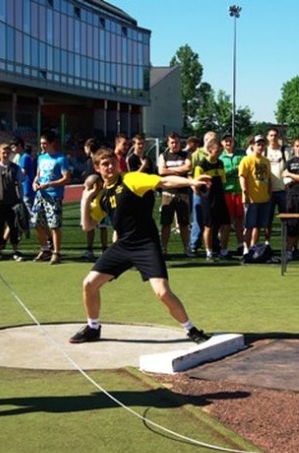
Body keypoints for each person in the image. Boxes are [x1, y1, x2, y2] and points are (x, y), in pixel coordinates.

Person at [71, 148, 211, 344]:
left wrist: (191, 182)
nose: (110, 166)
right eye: (104, 164)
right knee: (89, 284)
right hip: (122, 245)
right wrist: (86, 199)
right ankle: (93, 328)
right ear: (97, 168)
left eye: (112, 162)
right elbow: (87, 226)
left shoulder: (131, 179)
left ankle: (192, 330)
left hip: (146, 244)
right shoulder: (102, 194)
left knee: (162, 292)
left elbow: (163, 181)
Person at [31, 130, 71, 264]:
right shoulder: (41, 158)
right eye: (41, 143)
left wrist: (49, 184)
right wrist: (35, 182)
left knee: (54, 225)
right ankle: (45, 249)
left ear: (51, 143)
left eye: (45, 143)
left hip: (54, 196)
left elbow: (66, 178)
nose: (42, 146)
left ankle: (56, 252)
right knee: (36, 222)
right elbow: (38, 174)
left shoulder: (61, 159)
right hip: (40, 195)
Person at [192, 138, 229, 261]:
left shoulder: (220, 163)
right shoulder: (201, 165)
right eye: (217, 151)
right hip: (207, 199)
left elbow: (223, 181)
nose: (219, 153)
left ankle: (223, 251)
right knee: (209, 226)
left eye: (220, 151)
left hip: (220, 197)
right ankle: (209, 252)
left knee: (226, 225)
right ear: (209, 150)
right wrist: (203, 180)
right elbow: (196, 184)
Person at [0, 144, 24, 262]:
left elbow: (19, 184)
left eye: (7, 152)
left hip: (13, 202)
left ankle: (15, 251)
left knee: (14, 226)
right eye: (3, 152)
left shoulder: (15, 168)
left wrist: (21, 199)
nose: (5, 154)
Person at [158, 132, 192, 256]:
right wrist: (178, 171)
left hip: (183, 194)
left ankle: (187, 248)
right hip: (167, 194)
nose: (174, 144)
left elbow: (188, 167)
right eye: (172, 142)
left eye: (176, 142)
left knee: (184, 224)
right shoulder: (164, 155)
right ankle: (163, 248)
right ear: (168, 143)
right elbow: (161, 171)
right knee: (166, 223)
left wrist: (170, 171)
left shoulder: (186, 154)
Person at [239, 135, 272, 254]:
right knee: (249, 225)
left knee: (258, 226)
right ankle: (246, 248)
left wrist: (269, 192)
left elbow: (268, 178)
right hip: (251, 198)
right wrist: (245, 192)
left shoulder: (266, 161)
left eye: (263, 144)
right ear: (252, 145)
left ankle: (254, 249)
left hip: (263, 198)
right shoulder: (247, 160)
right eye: (258, 144)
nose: (260, 146)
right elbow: (242, 177)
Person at [189, 131, 218, 254]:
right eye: (210, 139)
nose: (212, 142)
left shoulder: (217, 154)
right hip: (200, 192)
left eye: (215, 140)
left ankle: (213, 243)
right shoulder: (197, 154)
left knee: (213, 220)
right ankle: (194, 244)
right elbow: (190, 174)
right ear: (205, 140)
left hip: (213, 193)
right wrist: (195, 188)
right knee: (198, 218)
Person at [81, 138, 108, 261]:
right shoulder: (90, 161)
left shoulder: (95, 162)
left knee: (101, 225)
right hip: (93, 194)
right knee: (92, 223)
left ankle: (101, 250)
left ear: (89, 147)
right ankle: (93, 249)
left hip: (98, 195)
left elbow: (98, 179)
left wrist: (96, 188)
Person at [220, 134, 245, 258]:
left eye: (230, 141)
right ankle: (224, 247)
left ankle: (241, 245)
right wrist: (234, 170)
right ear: (222, 143)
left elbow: (244, 169)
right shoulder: (220, 157)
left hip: (239, 191)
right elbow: (222, 174)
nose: (228, 143)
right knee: (227, 222)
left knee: (239, 220)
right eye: (226, 141)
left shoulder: (241, 155)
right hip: (227, 191)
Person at [264, 128, 288, 248]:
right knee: (267, 219)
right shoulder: (264, 151)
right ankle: (267, 243)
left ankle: (286, 243)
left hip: (282, 190)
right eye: (271, 135)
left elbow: (288, 168)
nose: (273, 137)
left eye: (275, 135)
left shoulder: (284, 151)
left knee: (285, 218)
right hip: (268, 191)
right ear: (267, 137)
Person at [11, 138, 36, 212]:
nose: (12, 149)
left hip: (26, 187)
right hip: (24, 187)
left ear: (19, 145)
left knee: (28, 209)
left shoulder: (24, 157)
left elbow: (22, 173)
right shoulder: (22, 157)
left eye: (13, 147)